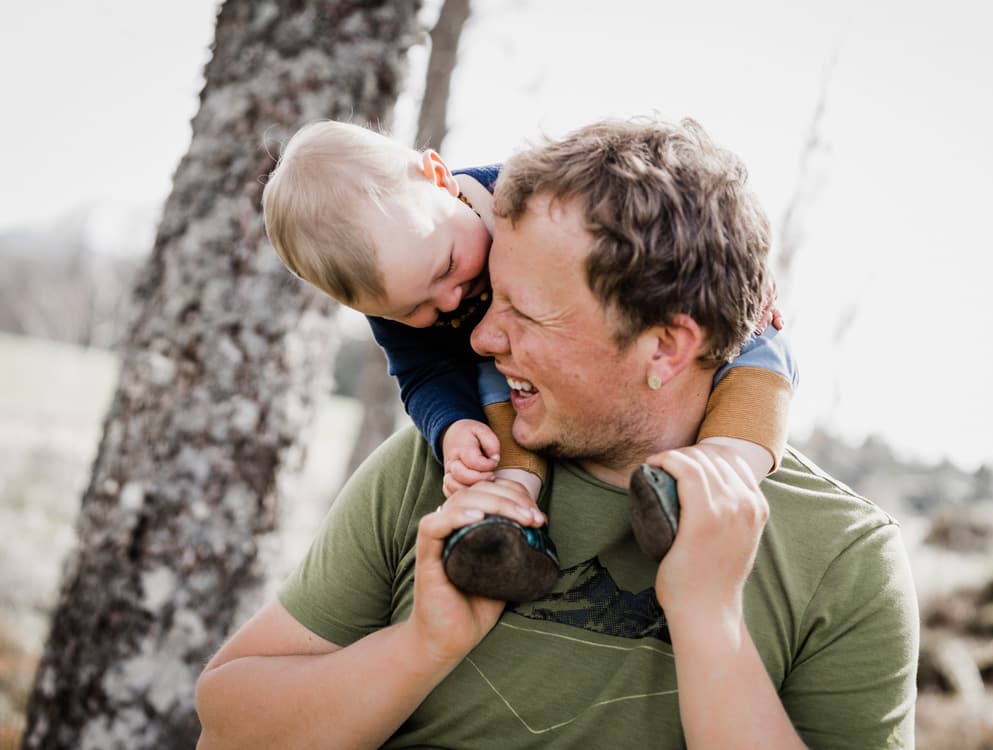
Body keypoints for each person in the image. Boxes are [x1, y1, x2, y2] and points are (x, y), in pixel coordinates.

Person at [196, 117, 919, 749]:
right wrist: (422, 644)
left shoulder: (842, 558)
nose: (477, 334)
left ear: (666, 347)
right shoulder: (438, 476)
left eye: (525, 311)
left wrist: (708, 620)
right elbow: (225, 733)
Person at [258, 120, 797, 601]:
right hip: (519, 382)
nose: (451, 302)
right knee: (486, 376)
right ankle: (510, 509)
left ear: (439, 178)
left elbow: (671, 213)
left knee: (760, 342)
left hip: (647, 320)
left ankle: (721, 472)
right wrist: (452, 426)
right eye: (413, 310)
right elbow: (423, 374)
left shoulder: (527, 192)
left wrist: (734, 268)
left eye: (447, 266)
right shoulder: (412, 289)